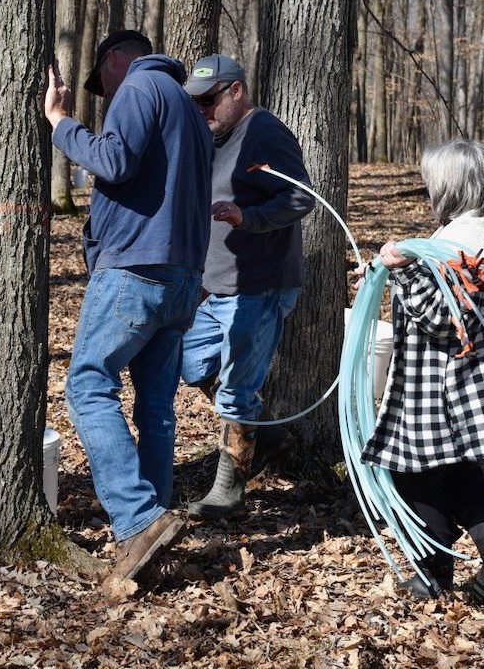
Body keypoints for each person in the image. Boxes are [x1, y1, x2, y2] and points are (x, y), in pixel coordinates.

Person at [45, 29, 213, 588]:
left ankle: (138, 518)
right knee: (157, 406)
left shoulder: (141, 88)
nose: (105, 91)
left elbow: (113, 162)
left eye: (103, 79)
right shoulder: (188, 108)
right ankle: (157, 521)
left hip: (138, 268)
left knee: (87, 385)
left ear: (117, 59)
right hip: (183, 273)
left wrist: (60, 123)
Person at [180, 54, 315, 518]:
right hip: (217, 285)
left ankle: (230, 489)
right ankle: (264, 432)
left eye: (210, 101)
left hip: (260, 283)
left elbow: (300, 195)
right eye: (195, 103)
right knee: (191, 361)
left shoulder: (264, 132)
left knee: (236, 387)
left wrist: (249, 218)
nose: (203, 111)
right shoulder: (212, 136)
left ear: (236, 91)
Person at [360, 138, 484, 602]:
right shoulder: (461, 240)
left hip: (438, 391)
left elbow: (444, 320)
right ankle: (436, 576)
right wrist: (388, 272)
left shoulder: (455, 246)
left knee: (417, 477)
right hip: (465, 390)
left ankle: (432, 577)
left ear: (447, 188)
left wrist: (403, 272)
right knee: (467, 481)